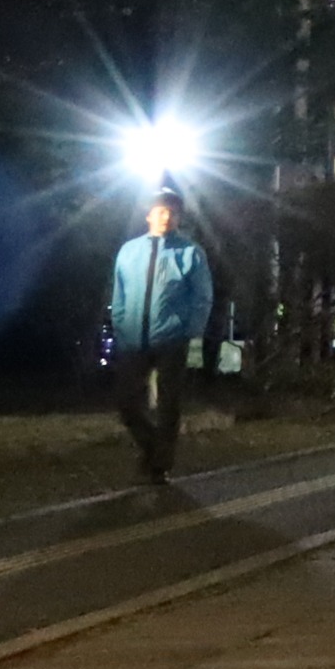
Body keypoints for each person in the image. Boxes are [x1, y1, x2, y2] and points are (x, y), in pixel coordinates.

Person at [103, 191, 215, 481]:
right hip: (133, 339)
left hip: (171, 339)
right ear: (148, 215)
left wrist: (190, 330)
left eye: (172, 213)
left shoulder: (190, 252)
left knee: (168, 404)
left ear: (178, 217)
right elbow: (120, 292)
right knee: (126, 402)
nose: (166, 217)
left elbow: (202, 297)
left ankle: (159, 465)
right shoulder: (129, 251)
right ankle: (154, 448)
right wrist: (120, 325)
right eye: (160, 211)